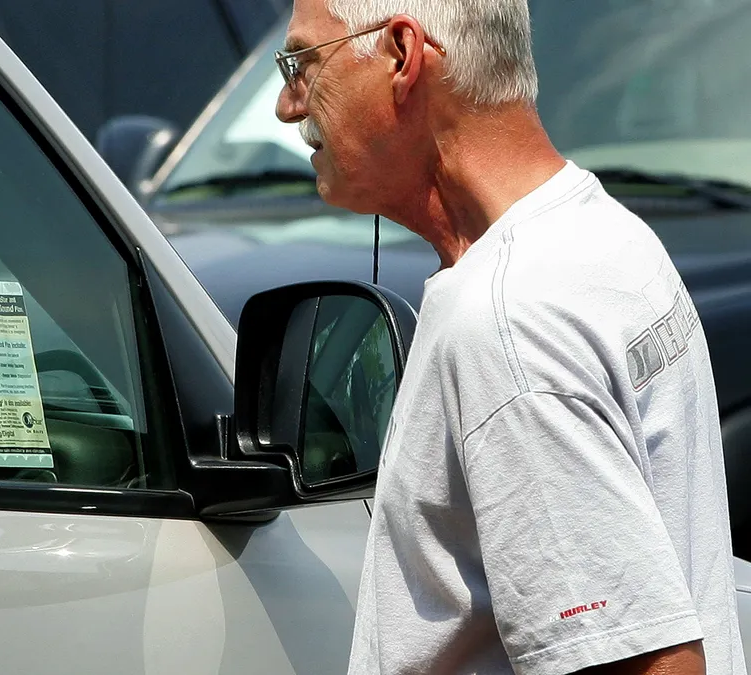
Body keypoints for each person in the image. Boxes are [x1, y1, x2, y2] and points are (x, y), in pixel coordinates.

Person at [273, 0, 747, 673]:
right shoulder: (603, 234)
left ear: (401, 56)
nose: (288, 107)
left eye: (302, 64)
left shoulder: (508, 317)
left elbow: (650, 662)